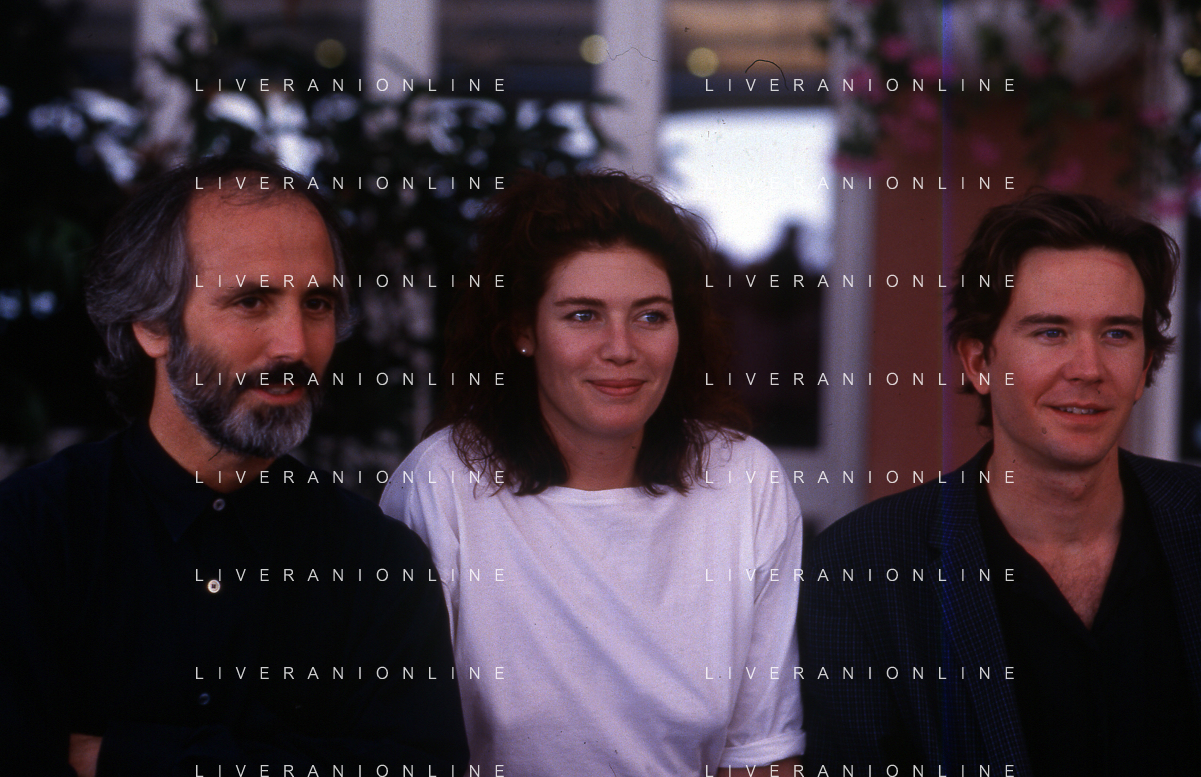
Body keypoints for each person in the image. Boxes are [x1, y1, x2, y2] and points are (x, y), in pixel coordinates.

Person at [0, 156, 469, 776]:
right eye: (251, 301)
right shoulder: (32, 535)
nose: (294, 346)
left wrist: (122, 757)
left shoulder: (379, 562)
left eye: (318, 303)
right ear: (152, 324)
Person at [380, 170, 805, 775]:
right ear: (523, 330)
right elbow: (403, 748)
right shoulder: (443, 482)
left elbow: (761, 755)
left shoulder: (744, 481)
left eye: (650, 316)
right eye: (583, 315)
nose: (621, 348)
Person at [799, 191, 1201, 776]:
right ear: (979, 362)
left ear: (1144, 367)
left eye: (1117, 334)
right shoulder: (863, 571)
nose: (1088, 368)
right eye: (1051, 332)